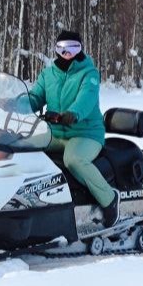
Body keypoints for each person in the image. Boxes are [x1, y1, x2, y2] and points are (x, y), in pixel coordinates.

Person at [26, 29, 119, 228]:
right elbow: (35, 97)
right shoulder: (48, 74)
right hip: (56, 133)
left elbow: (86, 98)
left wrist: (73, 113)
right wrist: (17, 103)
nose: (67, 52)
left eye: (73, 47)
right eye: (62, 48)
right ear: (56, 49)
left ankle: (109, 199)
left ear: (80, 49)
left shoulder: (89, 73)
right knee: (21, 146)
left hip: (86, 133)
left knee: (73, 159)